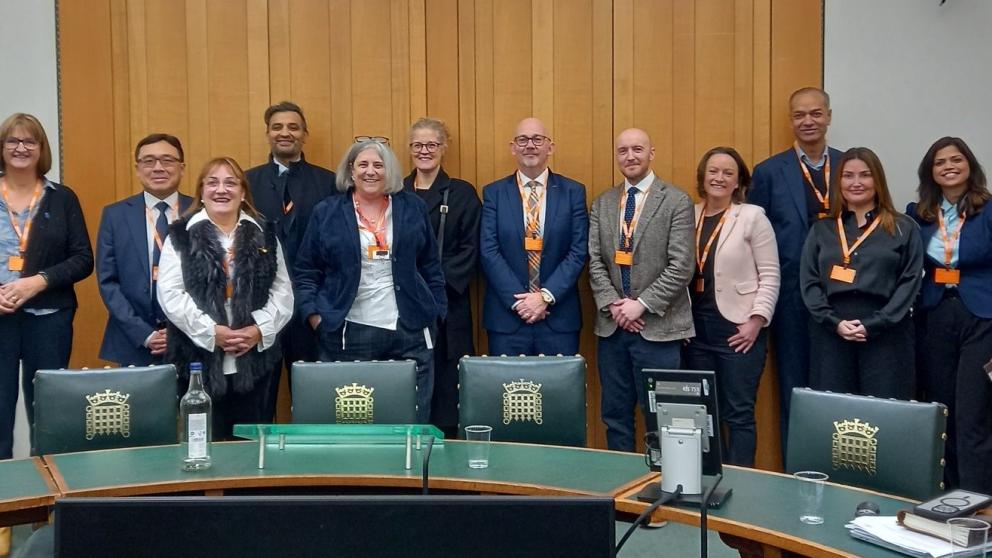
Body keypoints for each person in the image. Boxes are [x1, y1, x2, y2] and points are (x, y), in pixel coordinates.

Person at [294, 139, 446, 422]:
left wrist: (436, 310)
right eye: (362, 164)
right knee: (353, 419)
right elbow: (306, 270)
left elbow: (430, 265)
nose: (370, 171)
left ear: (389, 171)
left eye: (379, 165)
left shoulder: (412, 207)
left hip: (410, 328)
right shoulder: (326, 212)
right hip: (348, 330)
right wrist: (315, 316)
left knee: (412, 418)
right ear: (350, 171)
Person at [157, 157, 293, 439]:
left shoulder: (264, 235)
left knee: (251, 441)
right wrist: (211, 332)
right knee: (204, 439)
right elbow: (171, 294)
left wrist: (258, 330)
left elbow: (283, 292)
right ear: (202, 192)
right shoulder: (180, 235)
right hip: (198, 358)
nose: (222, 190)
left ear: (243, 193)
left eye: (230, 183)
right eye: (213, 183)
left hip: (255, 359)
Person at [747, 87, 843, 456]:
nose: (808, 121)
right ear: (790, 120)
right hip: (789, 298)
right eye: (800, 115)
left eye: (816, 114)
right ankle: (796, 470)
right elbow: (754, 237)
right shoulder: (770, 172)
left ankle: (837, 470)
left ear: (829, 116)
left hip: (842, 298)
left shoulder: (849, 166)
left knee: (835, 389)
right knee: (793, 389)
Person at [588, 128, 694, 452]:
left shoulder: (676, 200)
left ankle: (662, 491)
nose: (630, 156)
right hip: (613, 329)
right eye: (623, 150)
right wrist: (616, 307)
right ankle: (621, 495)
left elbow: (682, 266)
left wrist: (641, 305)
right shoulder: (604, 202)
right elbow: (594, 261)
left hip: (658, 331)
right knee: (615, 416)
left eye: (637, 149)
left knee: (661, 419)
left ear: (652, 153)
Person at [0, 113, 93, 459]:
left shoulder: (62, 198)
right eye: (13, 141)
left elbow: (83, 259)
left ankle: (47, 503)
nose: (21, 148)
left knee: (49, 416)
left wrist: (37, 282)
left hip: (49, 318)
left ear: (42, 149)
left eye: (30, 141)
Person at [800, 147, 921, 400]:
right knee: (834, 416)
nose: (856, 183)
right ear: (839, 182)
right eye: (848, 176)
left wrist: (876, 323)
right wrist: (834, 323)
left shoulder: (903, 228)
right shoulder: (822, 230)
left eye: (864, 175)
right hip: (831, 331)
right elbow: (809, 282)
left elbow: (909, 282)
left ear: (877, 180)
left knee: (884, 415)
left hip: (887, 333)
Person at [684, 147, 780, 467]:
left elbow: (770, 275)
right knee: (702, 412)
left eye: (728, 173)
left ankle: (742, 485)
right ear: (703, 176)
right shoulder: (689, 215)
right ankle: (709, 482)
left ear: (739, 181)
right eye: (714, 171)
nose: (719, 178)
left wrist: (756, 320)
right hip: (695, 330)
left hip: (738, 329)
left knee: (737, 413)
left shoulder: (752, 216)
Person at [908, 136, 992, 494]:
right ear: (931, 172)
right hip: (935, 314)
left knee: (973, 413)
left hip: (981, 316)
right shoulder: (920, 213)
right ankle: (947, 495)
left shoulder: (988, 210)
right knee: (942, 410)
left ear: (970, 165)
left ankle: (978, 499)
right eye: (940, 162)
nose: (949, 166)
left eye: (956, 159)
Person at [246, 101, 337, 420]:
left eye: (293, 127)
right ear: (268, 134)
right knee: (259, 396)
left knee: (315, 396)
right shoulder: (247, 183)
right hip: (261, 308)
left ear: (305, 135)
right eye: (278, 127)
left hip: (312, 306)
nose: (285, 133)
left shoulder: (330, 183)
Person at [479, 117, 588, 356]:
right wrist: (521, 302)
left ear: (550, 147)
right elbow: (488, 251)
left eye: (537, 139)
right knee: (507, 391)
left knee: (560, 392)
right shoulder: (494, 193)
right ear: (513, 147)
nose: (530, 145)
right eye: (523, 140)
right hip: (507, 318)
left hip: (558, 317)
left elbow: (578, 250)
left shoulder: (573, 192)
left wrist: (545, 297)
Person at [402, 117, 481, 437]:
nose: (425, 151)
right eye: (418, 145)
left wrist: (432, 286)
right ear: (409, 150)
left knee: (449, 395)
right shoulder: (394, 192)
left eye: (432, 145)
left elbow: (471, 248)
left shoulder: (462, 193)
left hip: (448, 306)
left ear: (444, 148)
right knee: (408, 392)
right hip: (400, 306)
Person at [97, 133, 194, 366]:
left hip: (192, 338)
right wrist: (144, 334)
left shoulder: (200, 212)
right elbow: (108, 282)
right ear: (138, 169)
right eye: (148, 161)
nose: (158, 167)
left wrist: (183, 330)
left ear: (182, 167)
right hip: (133, 339)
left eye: (167, 160)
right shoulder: (115, 215)